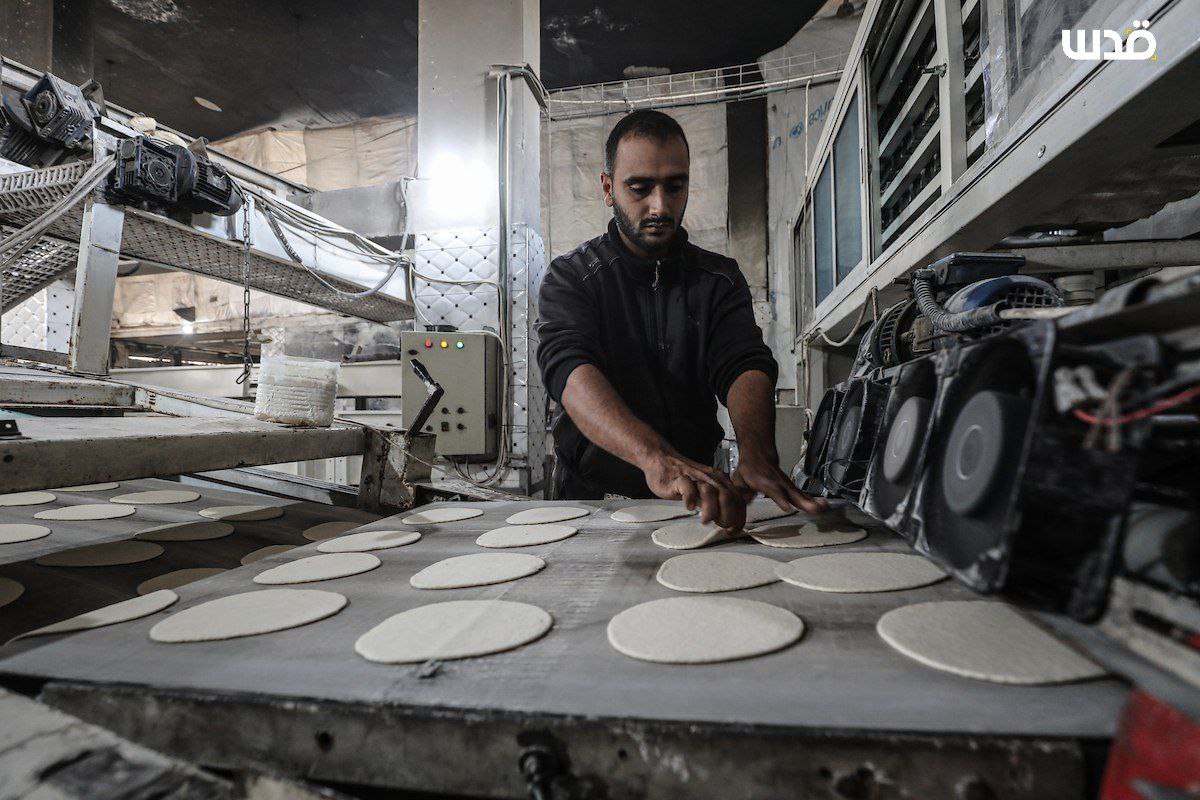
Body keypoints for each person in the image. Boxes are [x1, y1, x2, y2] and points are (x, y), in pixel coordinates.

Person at [536, 109, 827, 531]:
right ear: (607, 188)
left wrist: (757, 451)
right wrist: (655, 458)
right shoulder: (573, 277)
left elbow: (742, 361)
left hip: (693, 499)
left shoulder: (717, 279)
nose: (660, 205)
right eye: (639, 188)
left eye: (675, 186)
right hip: (590, 499)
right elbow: (569, 371)